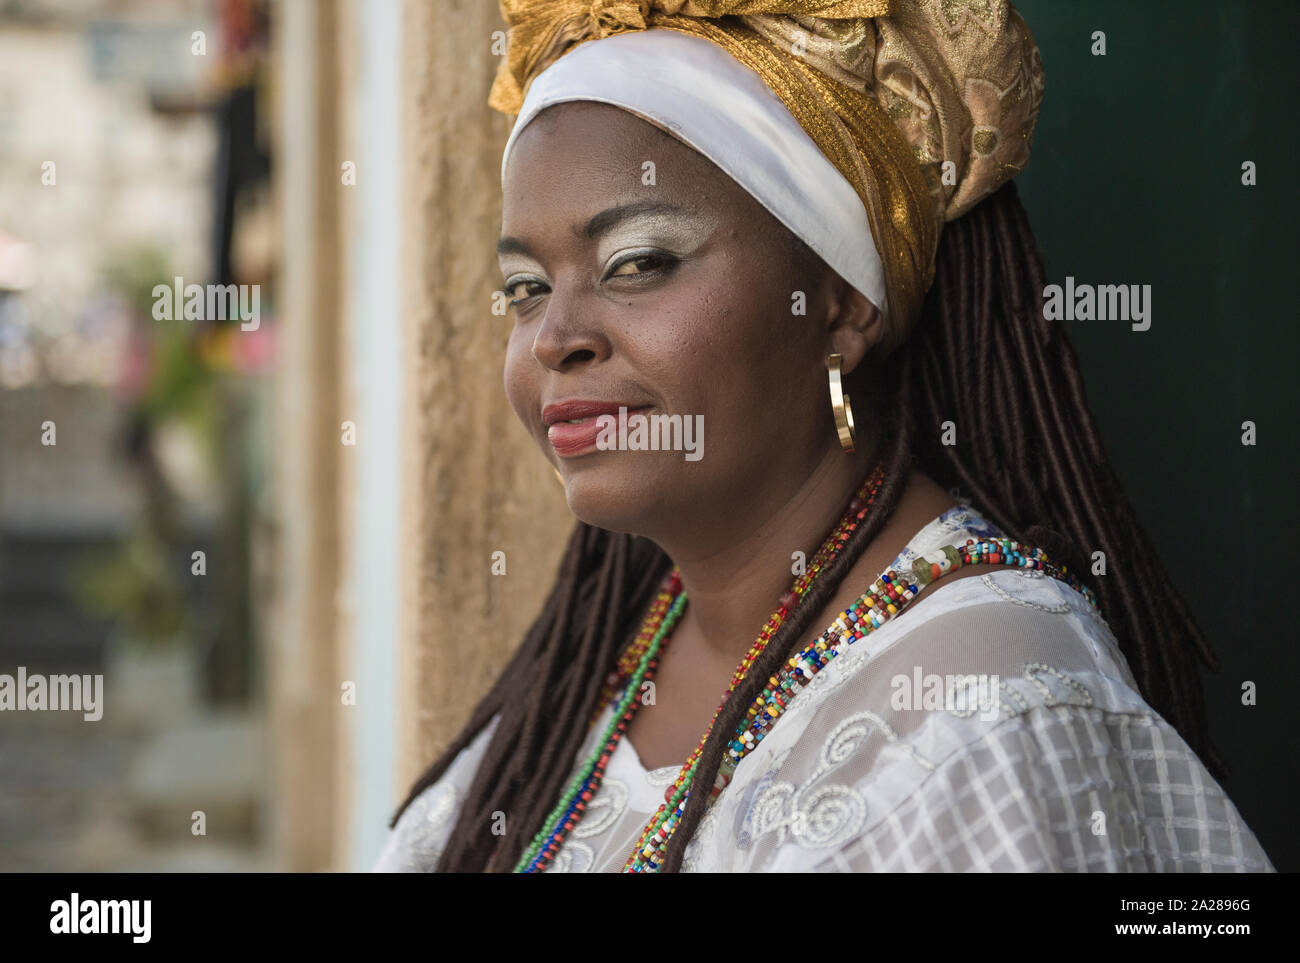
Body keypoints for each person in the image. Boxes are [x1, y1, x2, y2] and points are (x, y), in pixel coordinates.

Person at [375, 0, 1273, 872]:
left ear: (843, 301)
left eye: (639, 262)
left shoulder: (989, 719)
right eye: (527, 286)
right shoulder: (599, 659)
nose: (554, 336)